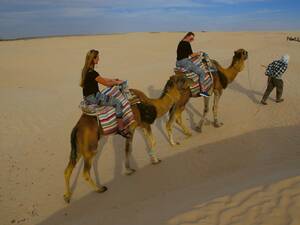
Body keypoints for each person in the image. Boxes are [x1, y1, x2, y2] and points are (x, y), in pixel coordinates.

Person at [80, 49, 128, 135]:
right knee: (118, 103)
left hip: (88, 97)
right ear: (93, 60)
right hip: (94, 98)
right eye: (97, 57)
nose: (99, 59)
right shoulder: (93, 73)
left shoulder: (86, 70)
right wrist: (117, 82)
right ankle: (121, 128)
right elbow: (106, 83)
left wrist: (112, 79)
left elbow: (101, 78)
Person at [176, 32, 209, 97]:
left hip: (178, 62)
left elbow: (185, 55)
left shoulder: (180, 42)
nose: (191, 40)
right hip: (185, 63)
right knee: (202, 72)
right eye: (191, 38)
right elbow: (191, 55)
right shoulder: (187, 43)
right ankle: (203, 90)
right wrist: (199, 53)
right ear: (187, 36)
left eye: (192, 39)